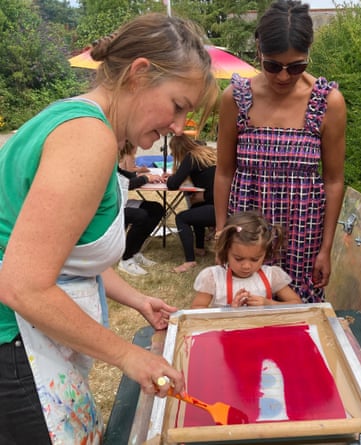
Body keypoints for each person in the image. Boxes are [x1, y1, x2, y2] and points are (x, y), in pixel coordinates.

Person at [0, 13, 217, 444]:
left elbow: (62, 251)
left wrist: (137, 299)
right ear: (139, 74)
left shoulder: (71, 119)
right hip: (15, 346)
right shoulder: (88, 138)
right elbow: (21, 286)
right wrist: (129, 357)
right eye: (177, 106)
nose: (177, 127)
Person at [213, 0, 346, 303]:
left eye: (296, 66)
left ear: (309, 53)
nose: (284, 76)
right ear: (258, 51)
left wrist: (325, 248)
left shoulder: (328, 103)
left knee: (295, 309)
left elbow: (334, 180)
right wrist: (222, 231)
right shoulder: (236, 98)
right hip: (247, 231)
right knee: (243, 304)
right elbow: (223, 171)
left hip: (303, 231)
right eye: (273, 65)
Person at [191, 211, 302, 308]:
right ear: (225, 250)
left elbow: (298, 304)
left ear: (265, 254)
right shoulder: (213, 278)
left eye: (255, 259)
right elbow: (196, 309)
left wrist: (269, 304)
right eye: (238, 259)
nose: (246, 266)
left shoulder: (271, 275)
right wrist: (229, 310)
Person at [167, 135, 217, 273]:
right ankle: (200, 248)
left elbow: (173, 184)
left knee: (181, 218)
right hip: (224, 205)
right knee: (196, 208)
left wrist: (171, 176)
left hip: (216, 209)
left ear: (177, 150)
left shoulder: (191, 157)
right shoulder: (206, 153)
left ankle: (190, 261)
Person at [117, 161, 164, 276]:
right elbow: (126, 184)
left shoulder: (111, 162)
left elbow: (126, 175)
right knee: (140, 215)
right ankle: (126, 259)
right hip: (107, 208)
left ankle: (134, 251)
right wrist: (145, 178)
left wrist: (149, 176)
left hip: (120, 202)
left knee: (156, 209)